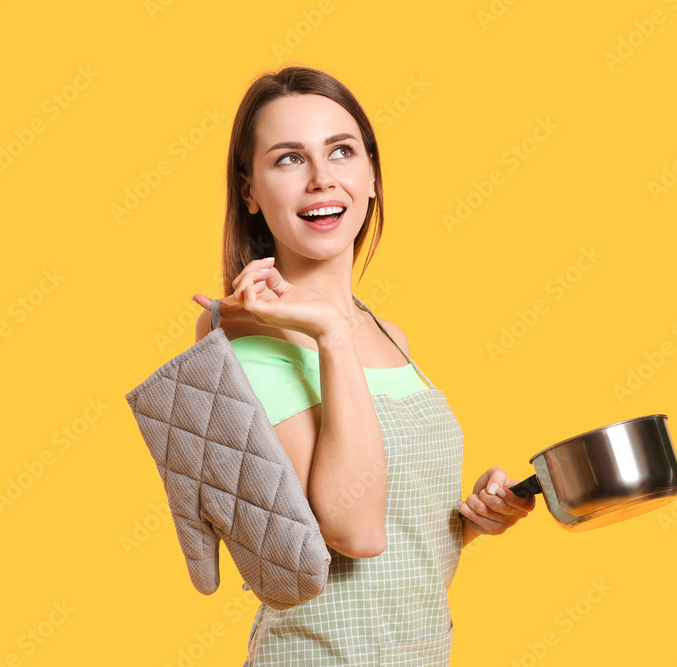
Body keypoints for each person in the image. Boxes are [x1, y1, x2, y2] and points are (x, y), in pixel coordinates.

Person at [191, 65, 535, 666]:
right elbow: (353, 532)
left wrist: (471, 521)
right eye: (289, 159)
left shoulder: (389, 333)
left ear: (371, 174)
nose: (323, 180)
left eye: (341, 152)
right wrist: (329, 334)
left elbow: (392, 536)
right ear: (249, 191)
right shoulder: (247, 344)